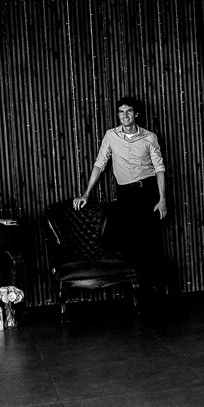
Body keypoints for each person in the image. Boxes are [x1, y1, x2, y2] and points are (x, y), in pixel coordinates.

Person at [73, 97, 168, 289]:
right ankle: (134, 290)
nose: (124, 115)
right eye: (121, 112)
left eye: (129, 111)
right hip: (126, 194)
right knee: (128, 241)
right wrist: (85, 194)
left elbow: (159, 168)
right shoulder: (110, 136)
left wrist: (162, 199)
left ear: (136, 114)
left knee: (151, 241)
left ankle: (155, 291)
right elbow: (100, 163)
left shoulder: (149, 137)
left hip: (148, 192)